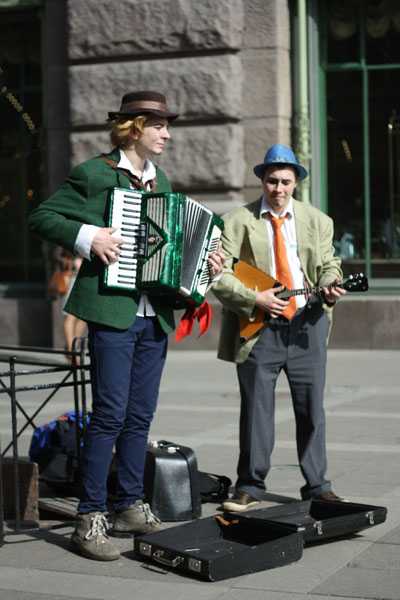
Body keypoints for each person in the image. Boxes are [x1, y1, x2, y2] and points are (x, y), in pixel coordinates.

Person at [28, 90, 225, 560]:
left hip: (153, 314)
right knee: (110, 415)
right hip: (112, 314)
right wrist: (88, 235)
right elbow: (41, 216)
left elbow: (176, 250)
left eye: (167, 126)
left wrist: (206, 266)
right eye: (159, 126)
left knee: (140, 416)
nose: (167, 134)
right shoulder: (94, 174)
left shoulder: (164, 184)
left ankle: (128, 504)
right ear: (134, 127)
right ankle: (89, 516)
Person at [212, 144, 346, 512]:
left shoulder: (318, 220)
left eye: (286, 181)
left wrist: (332, 287)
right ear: (262, 179)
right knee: (256, 411)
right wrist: (255, 299)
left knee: (311, 411)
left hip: (308, 326)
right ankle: (250, 485)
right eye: (272, 181)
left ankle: (319, 485)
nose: (279, 188)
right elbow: (219, 277)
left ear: (296, 183)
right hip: (259, 326)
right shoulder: (236, 221)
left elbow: (329, 265)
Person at [52, 246, 87, 359]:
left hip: (85, 277)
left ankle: (72, 348)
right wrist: (72, 263)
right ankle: (71, 351)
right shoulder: (68, 232)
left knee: (83, 316)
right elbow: (56, 255)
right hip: (70, 277)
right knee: (69, 316)